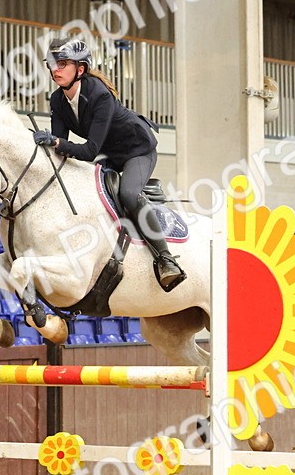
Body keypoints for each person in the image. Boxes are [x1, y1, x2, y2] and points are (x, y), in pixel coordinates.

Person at [33, 37, 185, 292]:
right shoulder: (57, 100)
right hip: (108, 153)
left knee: (128, 193)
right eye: (52, 64)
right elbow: (62, 151)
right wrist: (44, 144)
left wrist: (57, 142)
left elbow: (88, 150)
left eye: (62, 64)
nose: (55, 70)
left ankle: (166, 259)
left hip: (137, 149)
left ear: (80, 69)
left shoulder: (99, 95)